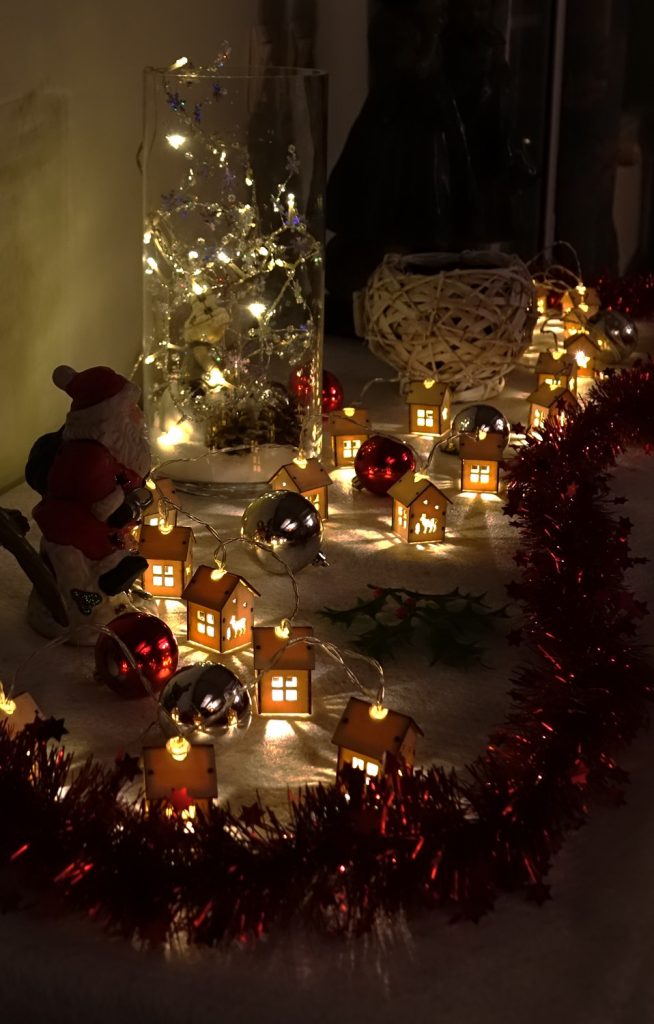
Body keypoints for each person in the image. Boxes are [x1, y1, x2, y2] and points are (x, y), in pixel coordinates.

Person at [25, 365, 151, 637]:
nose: (138, 415)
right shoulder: (88, 455)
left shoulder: (106, 449)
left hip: (87, 522)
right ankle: (87, 607)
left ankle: (112, 579)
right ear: (109, 416)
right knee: (84, 562)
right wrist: (119, 502)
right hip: (74, 525)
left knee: (106, 548)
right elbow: (96, 496)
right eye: (130, 409)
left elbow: (122, 477)